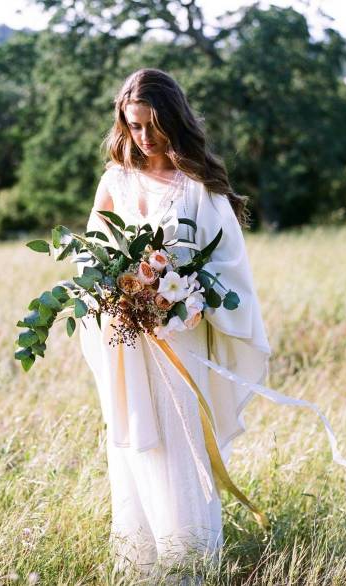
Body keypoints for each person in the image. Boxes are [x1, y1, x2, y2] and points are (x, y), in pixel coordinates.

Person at [77, 68, 271, 580]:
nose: (143, 137)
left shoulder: (198, 185)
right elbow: (92, 254)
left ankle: (189, 565)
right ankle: (142, 564)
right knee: (137, 438)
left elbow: (228, 263)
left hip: (179, 335)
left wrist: (187, 297)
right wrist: (117, 291)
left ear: (173, 119)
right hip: (128, 339)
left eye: (151, 125)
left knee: (181, 437)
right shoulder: (115, 179)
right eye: (133, 126)